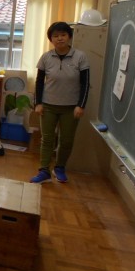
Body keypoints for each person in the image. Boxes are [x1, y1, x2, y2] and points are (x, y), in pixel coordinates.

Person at [30, 21, 90, 184]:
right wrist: (38, 103)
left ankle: (60, 168)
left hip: (71, 107)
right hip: (48, 106)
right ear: (51, 39)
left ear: (69, 37)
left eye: (63, 35)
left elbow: (85, 83)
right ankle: (44, 171)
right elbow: (39, 82)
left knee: (66, 140)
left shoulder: (80, 57)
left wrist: (81, 105)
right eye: (55, 36)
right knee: (47, 139)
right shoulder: (46, 57)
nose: (60, 38)